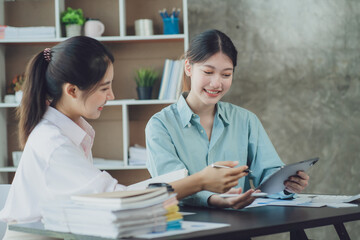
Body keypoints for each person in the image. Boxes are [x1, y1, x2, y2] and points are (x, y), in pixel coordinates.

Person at [146, 29, 310, 209]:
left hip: (239, 226)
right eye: (208, 72)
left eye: (226, 75)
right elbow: (172, 186)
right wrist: (214, 199)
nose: (217, 83)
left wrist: (287, 185)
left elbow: (268, 174)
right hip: (185, 228)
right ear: (188, 68)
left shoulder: (246, 121)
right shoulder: (160, 125)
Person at [0, 36, 123, 239]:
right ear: (72, 90)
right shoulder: (52, 142)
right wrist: (191, 183)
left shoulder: (69, 131)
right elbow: (108, 195)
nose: (111, 96)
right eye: (104, 88)